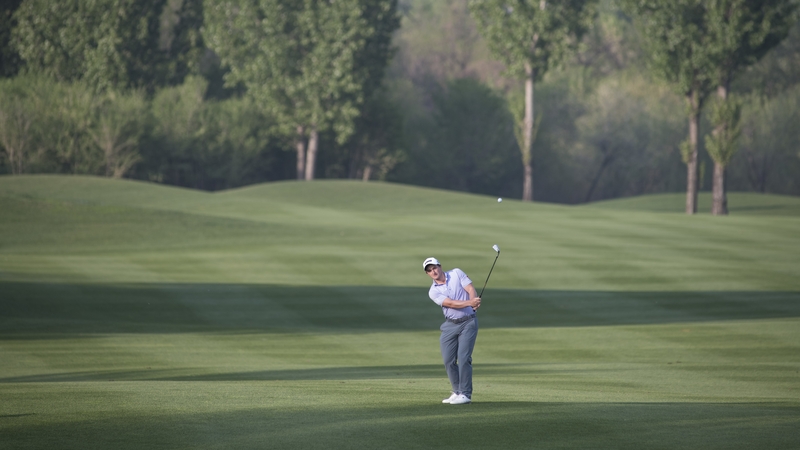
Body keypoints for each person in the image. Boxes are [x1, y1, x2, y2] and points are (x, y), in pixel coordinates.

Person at [423, 256, 481, 405]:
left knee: (463, 358)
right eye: (429, 270)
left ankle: (466, 394)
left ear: (440, 266)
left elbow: (470, 288)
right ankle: (457, 391)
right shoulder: (433, 292)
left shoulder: (456, 273)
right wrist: (470, 302)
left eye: (434, 267)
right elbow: (450, 303)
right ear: (427, 274)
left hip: (468, 321)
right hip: (450, 324)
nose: (433, 271)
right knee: (448, 360)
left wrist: (474, 303)